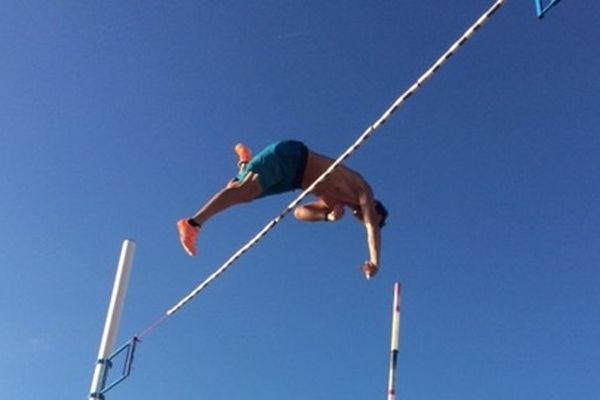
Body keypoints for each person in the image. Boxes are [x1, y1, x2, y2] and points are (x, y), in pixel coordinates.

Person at [177, 140, 388, 279]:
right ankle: (192, 223)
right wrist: (375, 262)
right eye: (370, 216)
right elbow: (372, 228)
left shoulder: (336, 204)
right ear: (374, 207)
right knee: (243, 190)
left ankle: (245, 162)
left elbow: (299, 213)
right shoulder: (363, 189)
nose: (363, 217)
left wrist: (327, 216)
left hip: (292, 180)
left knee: (244, 193)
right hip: (294, 157)